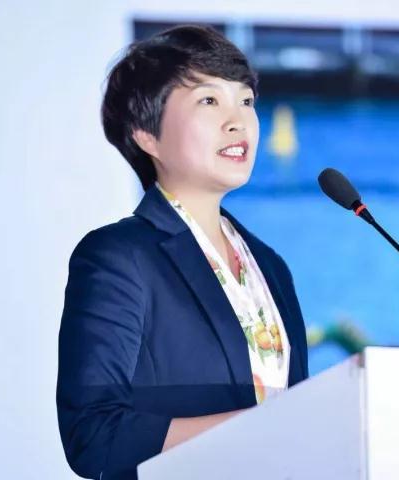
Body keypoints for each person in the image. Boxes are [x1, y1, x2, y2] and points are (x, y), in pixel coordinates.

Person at [56, 25, 309, 480]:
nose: (238, 121)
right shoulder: (118, 257)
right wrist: (258, 428)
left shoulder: (270, 266)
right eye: (209, 101)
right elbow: (91, 434)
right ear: (146, 135)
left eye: (246, 101)